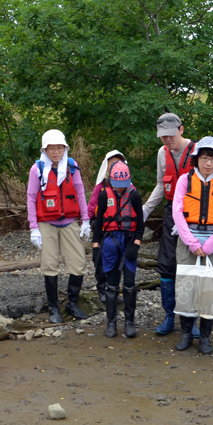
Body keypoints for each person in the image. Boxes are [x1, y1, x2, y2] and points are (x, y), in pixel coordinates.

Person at [172, 136, 213, 354]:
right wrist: (191, 242)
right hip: (187, 240)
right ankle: (187, 334)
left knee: (211, 289)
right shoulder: (184, 181)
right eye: (205, 158)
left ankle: (205, 337)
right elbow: (177, 213)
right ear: (197, 159)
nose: (209, 163)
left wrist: (209, 246)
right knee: (187, 287)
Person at [26, 129, 90, 324]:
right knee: (49, 265)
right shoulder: (37, 169)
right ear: (45, 150)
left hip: (69, 221)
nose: (55, 152)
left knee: (78, 264)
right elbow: (30, 198)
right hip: (46, 223)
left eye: (59, 148)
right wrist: (33, 227)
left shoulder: (72, 167)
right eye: (51, 148)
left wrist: (85, 220)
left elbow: (79, 193)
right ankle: (54, 308)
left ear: (65, 149)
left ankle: (72, 303)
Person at [142, 113, 196, 336]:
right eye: (162, 136)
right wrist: (145, 210)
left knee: (191, 266)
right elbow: (160, 184)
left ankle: (191, 319)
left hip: (193, 215)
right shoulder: (161, 154)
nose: (166, 140)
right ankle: (169, 316)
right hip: (171, 212)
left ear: (181, 130)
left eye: (170, 135)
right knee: (166, 264)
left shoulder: (197, 151)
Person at [92, 161, 144, 338]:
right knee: (112, 285)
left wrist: (136, 245)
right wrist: (95, 246)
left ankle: (129, 322)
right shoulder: (104, 195)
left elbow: (140, 225)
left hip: (129, 241)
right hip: (110, 242)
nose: (120, 189)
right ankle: (111, 323)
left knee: (129, 285)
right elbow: (98, 223)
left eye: (123, 186)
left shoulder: (135, 196)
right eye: (117, 185)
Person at [87, 150, 127, 303]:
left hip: (122, 230)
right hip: (103, 229)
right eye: (111, 164)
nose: (115, 167)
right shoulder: (101, 187)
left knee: (118, 262)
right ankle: (101, 290)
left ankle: (114, 290)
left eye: (118, 163)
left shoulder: (128, 187)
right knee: (101, 262)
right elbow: (92, 205)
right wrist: (85, 221)